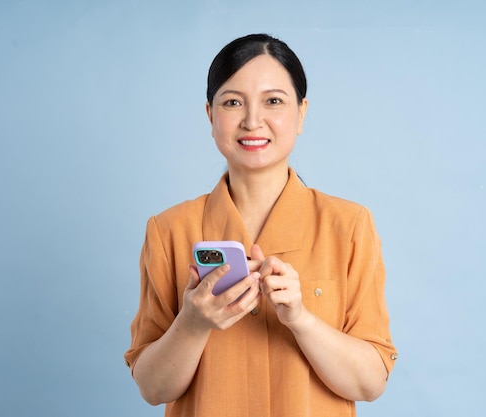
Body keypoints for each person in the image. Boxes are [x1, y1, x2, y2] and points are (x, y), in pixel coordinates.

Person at [124, 33, 397, 417]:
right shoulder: (169, 230)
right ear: (210, 116)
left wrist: (301, 319)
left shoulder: (349, 225)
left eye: (273, 101)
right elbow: (152, 389)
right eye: (233, 102)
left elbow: (370, 383)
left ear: (301, 113)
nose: (253, 121)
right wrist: (193, 322)